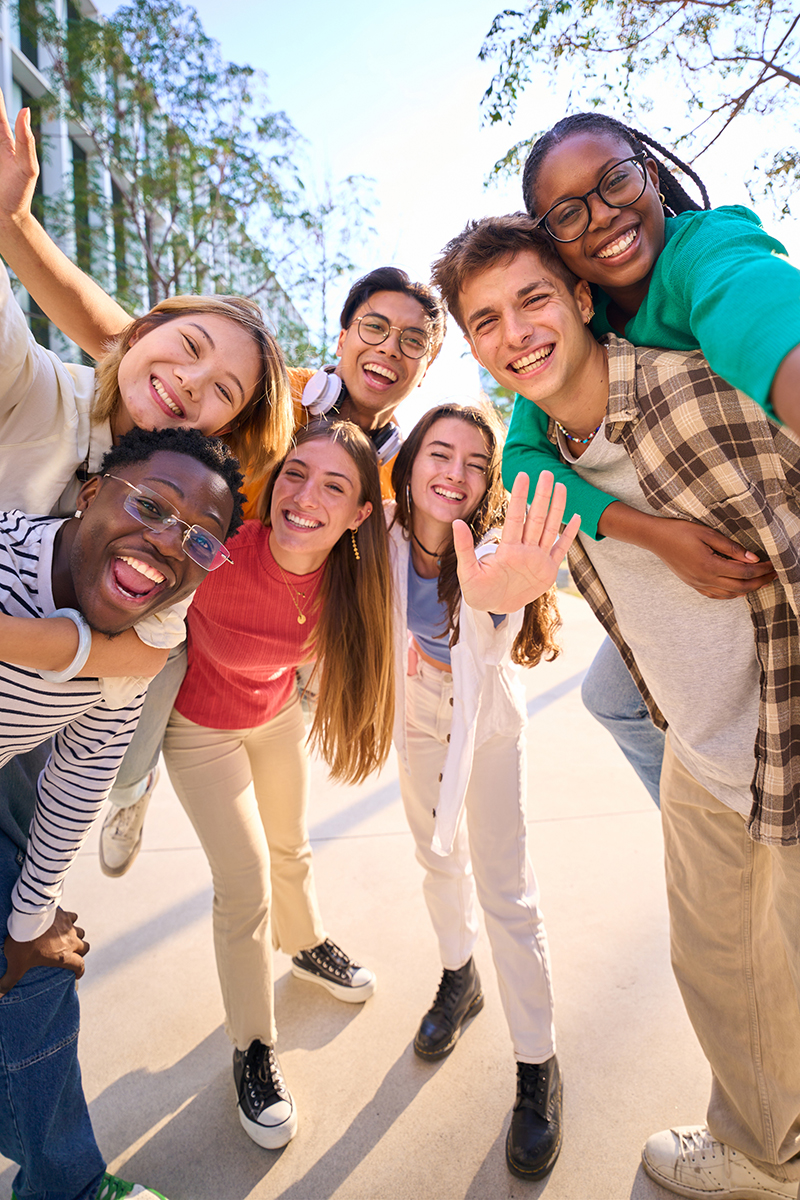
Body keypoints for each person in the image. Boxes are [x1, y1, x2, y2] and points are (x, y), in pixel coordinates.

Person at [432, 211, 800, 1199]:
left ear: (581, 298)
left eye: (532, 299)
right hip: (696, 746)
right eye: (486, 320)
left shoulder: (694, 393)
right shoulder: (541, 453)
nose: (515, 332)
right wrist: (495, 599)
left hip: (782, 730)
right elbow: (515, 536)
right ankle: (763, 1153)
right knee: (719, 978)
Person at [0, 87, 296, 874]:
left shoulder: (184, 525)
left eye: (225, 391)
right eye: (190, 345)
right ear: (143, 331)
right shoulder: (39, 388)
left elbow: (138, 658)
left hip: (32, 725)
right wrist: (12, 221)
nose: (196, 381)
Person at [499, 113, 800, 803]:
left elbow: (760, 309)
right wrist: (652, 534)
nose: (602, 217)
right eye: (568, 214)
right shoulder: (581, 320)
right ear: (553, 249)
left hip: (777, 524)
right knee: (612, 697)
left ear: (651, 174)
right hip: (697, 556)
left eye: (615, 182)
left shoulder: (706, 250)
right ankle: (693, 810)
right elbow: (521, 460)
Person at [0, 425, 244, 1200]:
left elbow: (79, 777)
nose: (170, 542)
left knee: (40, 972)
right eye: (151, 504)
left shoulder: (135, 646)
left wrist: (28, 922)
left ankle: (63, 1185)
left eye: (201, 541)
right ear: (89, 492)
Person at [159, 418, 393, 1149]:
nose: (305, 495)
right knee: (247, 881)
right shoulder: (220, 551)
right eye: (297, 473)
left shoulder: (350, 583)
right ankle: (254, 1049)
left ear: (358, 515)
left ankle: (306, 941)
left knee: (293, 845)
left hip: (273, 715)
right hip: (199, 728)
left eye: (334, 485)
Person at [386, 402, 579, 1180]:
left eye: (475, 463)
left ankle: (539, 1067)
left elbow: (495, 620)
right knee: (437, 859)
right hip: (411, 710)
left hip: (485, 720)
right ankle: (458, 976)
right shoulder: (385, 534)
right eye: (440, 453)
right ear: (412, 462)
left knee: (508, 890)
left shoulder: (495, 549)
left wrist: (499, 594)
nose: (455, 474)